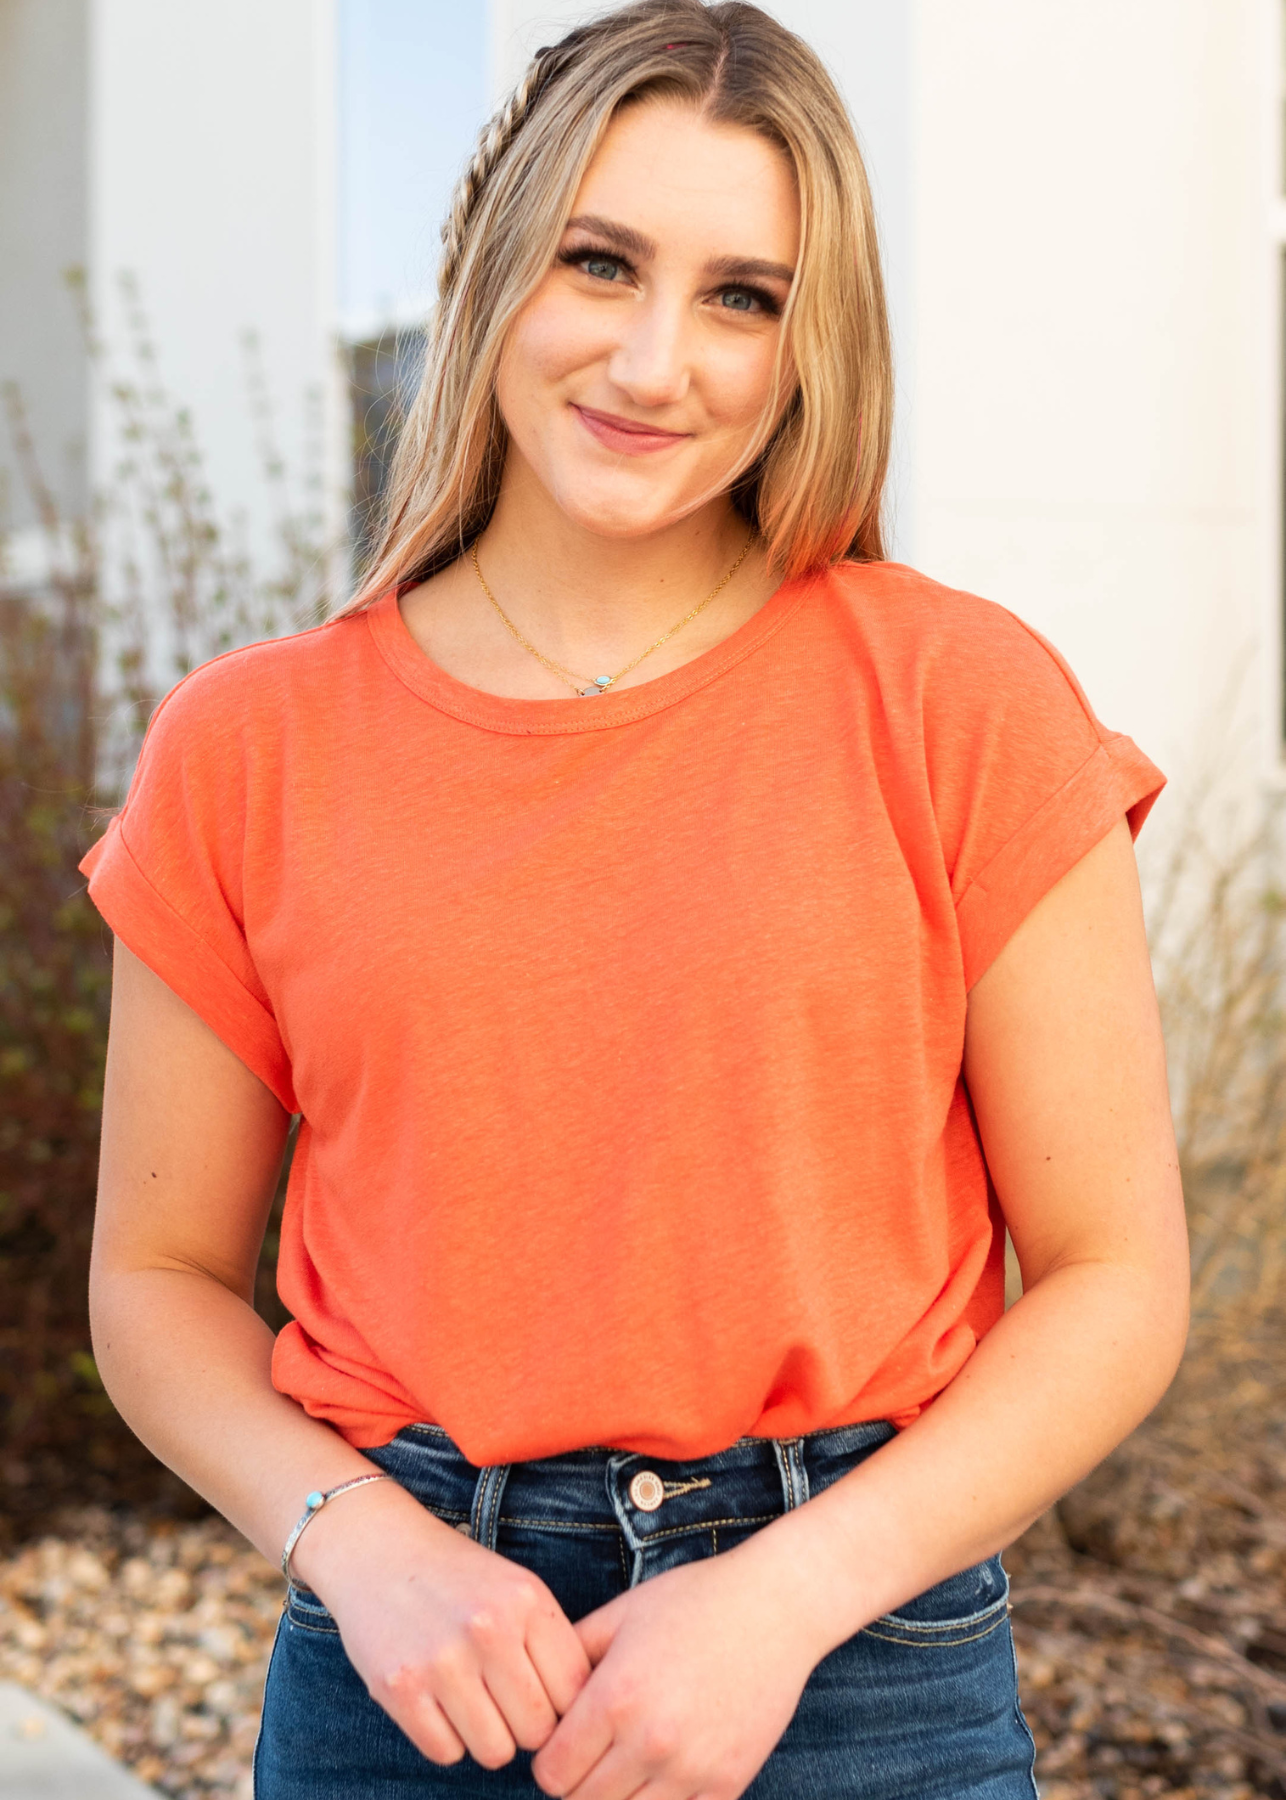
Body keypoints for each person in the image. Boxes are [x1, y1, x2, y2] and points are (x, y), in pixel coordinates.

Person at [82, 3, 1189, 1796]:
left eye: (742, 295)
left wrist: (783, 1596)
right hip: (408, 1664)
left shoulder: (956, 701)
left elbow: (1113, 1280)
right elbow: (153, 1276)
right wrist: (363, 1549)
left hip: (855, 1659)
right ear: (488, 263)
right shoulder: (251, 748)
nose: (658, 361)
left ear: (810, 341)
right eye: (601, 263)